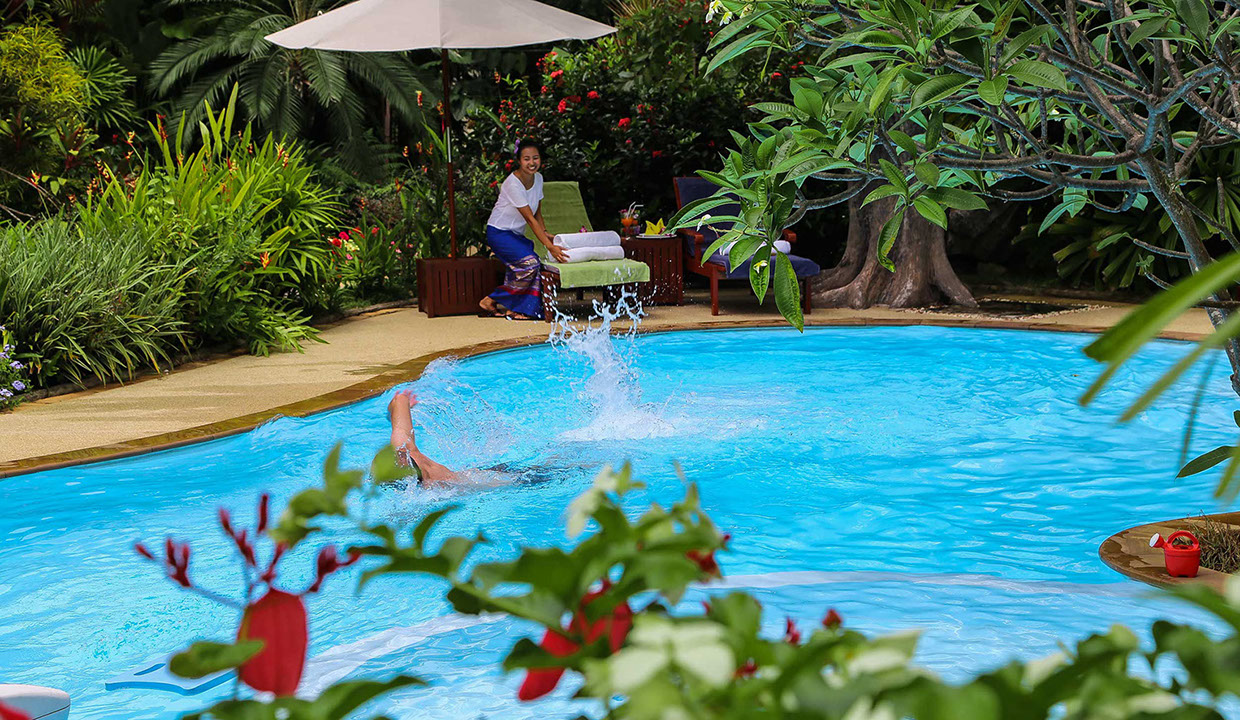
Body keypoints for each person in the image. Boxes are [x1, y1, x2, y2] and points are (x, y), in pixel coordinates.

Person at [479, 138, 569, 321]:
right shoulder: (512, 184)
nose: (532, 163)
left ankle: (515, 309)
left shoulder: (539, 178)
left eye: (535, 158)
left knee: (531, 265)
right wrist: (549, 247)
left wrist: (545, 233)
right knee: (530, 264)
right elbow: (529, 218)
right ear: (519, 161)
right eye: (527, 159)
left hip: (515, 235)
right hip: (499, 232)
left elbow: (537, 213)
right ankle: (491, 299)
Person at [387, 389, 461, 486]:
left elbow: (399, 399)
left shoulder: (404, 445)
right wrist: (400, 412)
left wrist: (398, 413)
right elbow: (400, 399)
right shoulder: (403, 444)